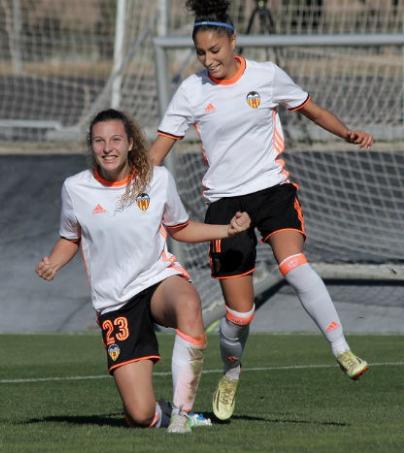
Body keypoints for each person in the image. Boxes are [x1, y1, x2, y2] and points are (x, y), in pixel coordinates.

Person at [149, 0, 372, 422]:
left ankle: (341, 348)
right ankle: (231, 374)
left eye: (215, 50)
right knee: (240, 313)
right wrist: (130, 186)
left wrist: (347, 133)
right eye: (201, 53)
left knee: (294, 264)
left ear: (234, 41)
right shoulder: (192, 91)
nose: (209, 59)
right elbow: (159, 150)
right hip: (224, 205)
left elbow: (311, 108)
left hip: (272, 190)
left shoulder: (267, 76)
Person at [35, 108, 251, 433]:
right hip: (115, 300)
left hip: (156, 279)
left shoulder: (157, 178)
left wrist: (227, 231)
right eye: (99, 141)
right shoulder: (75, 188)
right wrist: (53, 262)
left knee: (188, 304)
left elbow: (180, 227)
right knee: (139, 416)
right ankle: (162, 414)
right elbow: (70, 237)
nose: (108, 148)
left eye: (115, 140)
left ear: (131, 143)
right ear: (91, 146)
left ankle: (181, 414)